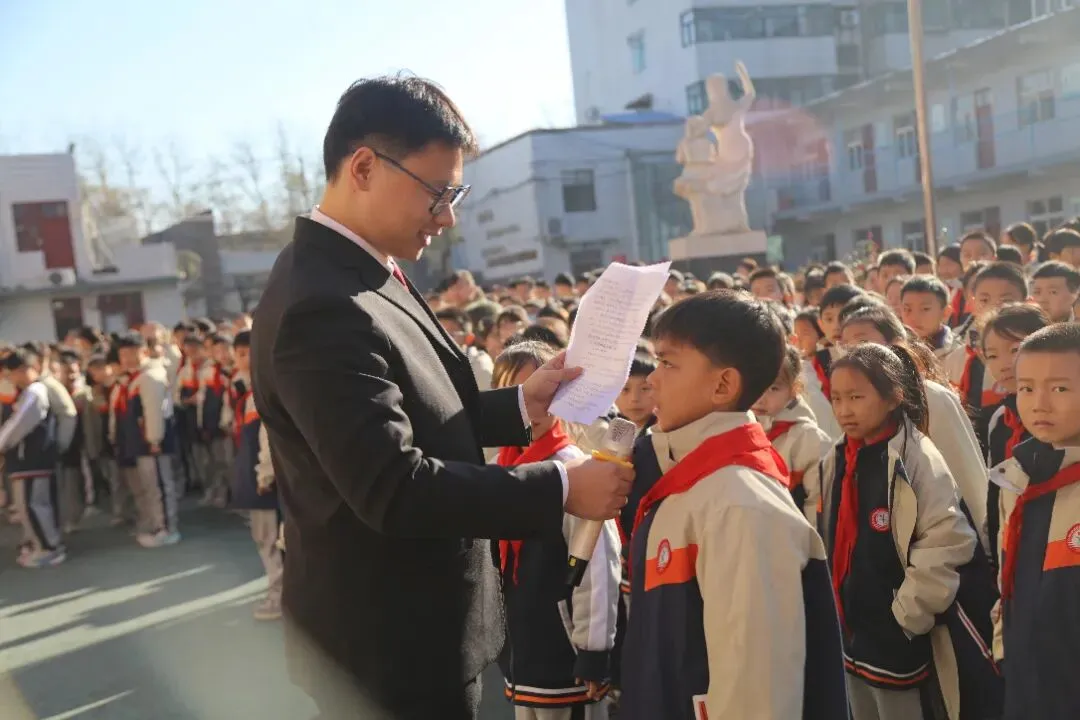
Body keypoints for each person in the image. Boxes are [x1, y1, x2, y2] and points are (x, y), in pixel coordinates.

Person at [249, 75, 632, 719]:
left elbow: (415, 411)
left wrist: (520, 406)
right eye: (438, 192)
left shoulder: (360, 268)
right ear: (364, 167)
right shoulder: (324, 302)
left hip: (405, 627)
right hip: (388, 643)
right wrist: (563, 488)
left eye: (455, 194)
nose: (448, 216)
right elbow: (393, 487)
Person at [619, 291, 847, 720]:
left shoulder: (741, 505)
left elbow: (755, 694)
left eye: (668, 363)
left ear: (723, 385)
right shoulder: (692, 479)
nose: (652, 380)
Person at [805, 343, 986, 720]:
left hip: (897, 635)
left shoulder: (916, 457)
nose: (844, 410)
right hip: (851, 630)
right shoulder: (836, 458)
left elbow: (948, 541)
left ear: (893, 397)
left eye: (856, 397)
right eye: (837, 398)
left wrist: (906, 616)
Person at [491, 342, 620, 719]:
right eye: (517, 394)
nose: (533, 407)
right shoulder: (496, 468)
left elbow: (598, 567)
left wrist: (594, 649)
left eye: (544, 393)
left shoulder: (574, 470)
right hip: (521, 648)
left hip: (566, 652)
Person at [990, 322, 1080, 719]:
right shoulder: (1016, 477)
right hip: (1026, 681)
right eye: (1026, 388)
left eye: (1059, 389)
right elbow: (1005, 580)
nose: (1039, 404)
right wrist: (1003, 648)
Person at [981, 303, 1048, 569]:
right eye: (992, 355)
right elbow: (994, 492)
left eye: (1015, 349)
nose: (1004, 364)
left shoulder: (1060, 417)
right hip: (1010, 547)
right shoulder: (1000, 420)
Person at [229, 330, 283, 621]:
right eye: (240, 354)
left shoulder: (260, 394)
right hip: (261, 475)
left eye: (250, 352)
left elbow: (267, 439)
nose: (245, 359)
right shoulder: (252, 390)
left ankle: (278, 596)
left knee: (269, 540)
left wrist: (265, 474)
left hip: (265, 481)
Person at [109, 333, 179, 548]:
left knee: (159, 486)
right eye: (123, 354)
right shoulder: (134, 378)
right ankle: (155, 524)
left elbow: (154, 411)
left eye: (132, 352)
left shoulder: (150, 376)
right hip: (139, 441)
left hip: (152, 442)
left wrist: (154, 439)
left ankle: (166, 528)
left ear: (145, 352)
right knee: (148, 487)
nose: (127, 358)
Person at [0, 349, 65, 568]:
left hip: (32, 459)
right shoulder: (26, 392)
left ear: (34, 368)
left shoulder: (35, 392)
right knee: (30, 505)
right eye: (12, 372)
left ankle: (49, 548)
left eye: (21, 370)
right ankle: (41, 544)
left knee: (33, 505)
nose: (16, 376)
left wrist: (2, 444)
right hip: (26, 459)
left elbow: (18, 424)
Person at [751, 345, 833, 507]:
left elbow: (818, 506)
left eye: (773, 388)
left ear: (795, 388)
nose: (760, 398)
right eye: (755, 385)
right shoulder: (735, 427)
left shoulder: (809, 439)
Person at [899, 275, 954, 357]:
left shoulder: (958, 354)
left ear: (945, 312)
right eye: (907, 309)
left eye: (925, 309)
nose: (914, 317)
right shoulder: (894, 350)